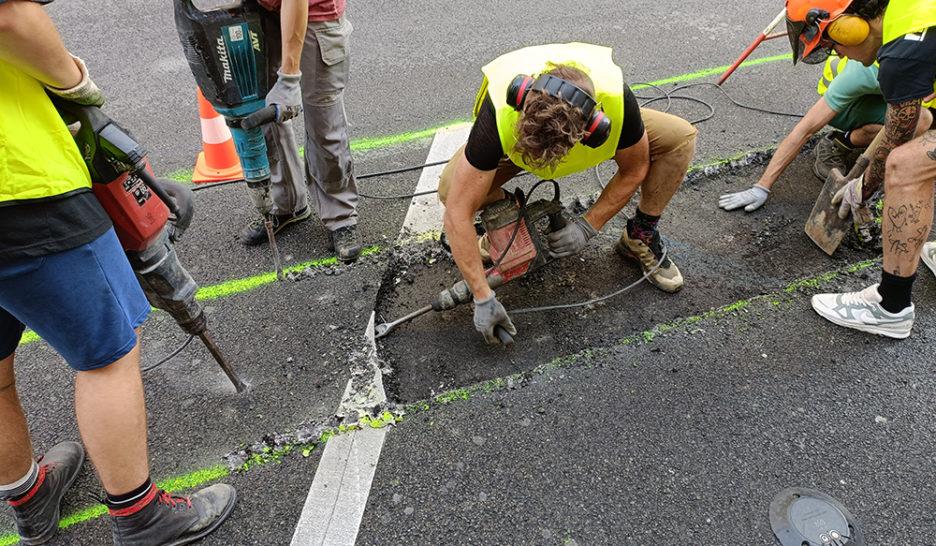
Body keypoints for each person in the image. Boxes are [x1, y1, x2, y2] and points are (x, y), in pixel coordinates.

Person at [0, 2, 235, 544]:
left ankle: (27, 495)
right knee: (107, 353)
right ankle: (140, 516)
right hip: (21, 186)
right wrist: (75, 81)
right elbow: (10, 16)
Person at [439, 43, 697, 344]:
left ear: (593, 130)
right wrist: (482, 296)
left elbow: (634, 168)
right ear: (521, 101)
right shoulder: (499, 112)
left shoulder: (615, 103)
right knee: (450, 189)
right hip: (516, 146)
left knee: (679, 138)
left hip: (584, 125)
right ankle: (501, 235)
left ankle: (640, 236)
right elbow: (457, 210)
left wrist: (588, 226)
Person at [784, 0, 936, 338]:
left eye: (832, 44)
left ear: (849, 27)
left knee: (906, 165)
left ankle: (891, 307)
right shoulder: (910, 14)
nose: (837, 55)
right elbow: (914, 123)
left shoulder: (903, 52)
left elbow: (898, 135)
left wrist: (862, 189)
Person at [719, 54, 932, 212]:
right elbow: (805, 129)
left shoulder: (924, 63)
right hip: (848, 105)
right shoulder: (863, 72)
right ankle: (839, 143)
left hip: (892, 92)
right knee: (920, 120)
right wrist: (761, 187)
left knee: (922, 122)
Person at [244, 0, 363, 263]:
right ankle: (289, 204)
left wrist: (288, 78)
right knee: (269, 116)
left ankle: (341, 216)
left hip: (315, 16)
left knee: (325, 126)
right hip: (263, 12)